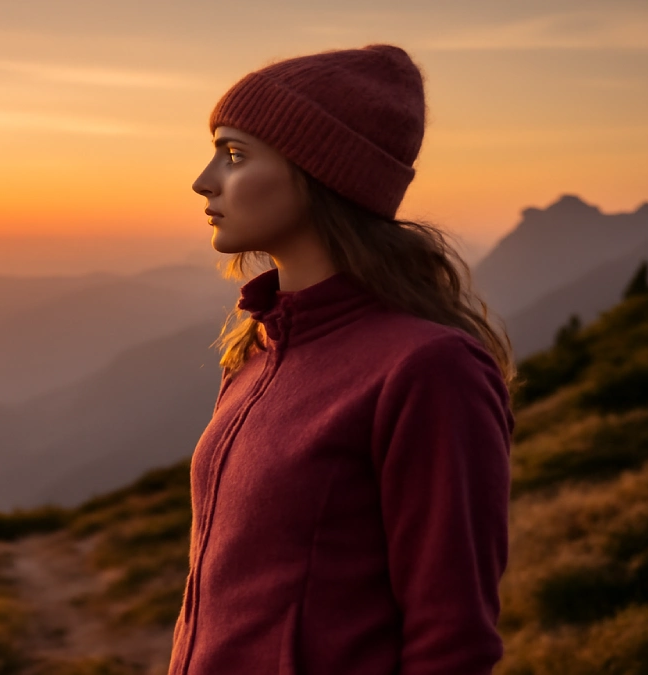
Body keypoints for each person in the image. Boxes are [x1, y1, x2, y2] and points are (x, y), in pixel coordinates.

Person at [169, 45, 517, 675]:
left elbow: (453, 641)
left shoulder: (430, 369)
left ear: (322, 172)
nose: (205, 179)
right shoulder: (257, 352)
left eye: (236, 154)